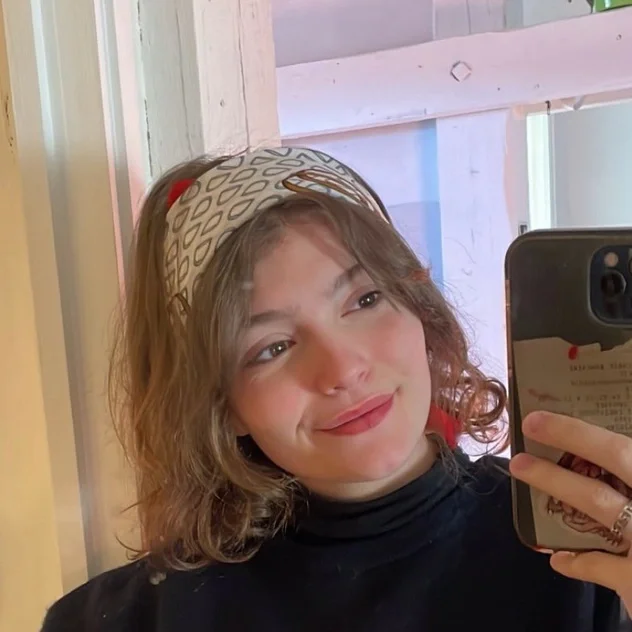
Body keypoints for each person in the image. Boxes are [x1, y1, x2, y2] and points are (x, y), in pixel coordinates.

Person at [42, 147, 632, 631]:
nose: (342, 370)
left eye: (364, 300)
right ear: (222, 404)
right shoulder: (120, 622)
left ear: (419, 311)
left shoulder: (591, 564)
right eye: (271, 347)